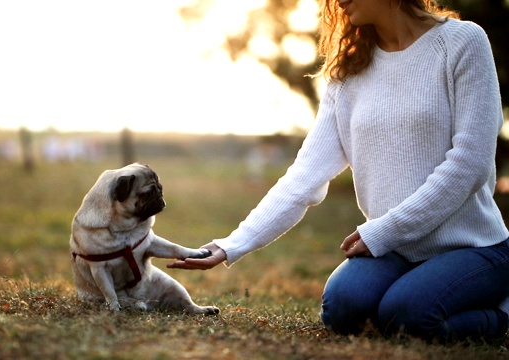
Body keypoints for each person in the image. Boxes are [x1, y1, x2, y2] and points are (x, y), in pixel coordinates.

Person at [168, 0, 509, 342]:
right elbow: (305, 175)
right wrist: (233, 244)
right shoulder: (349, 69)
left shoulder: (463, 42)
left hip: (472, 248)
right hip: (395, 251)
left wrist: (387, 230)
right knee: (343, 307)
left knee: (407, 315)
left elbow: (470, 163)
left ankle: (501, 315)